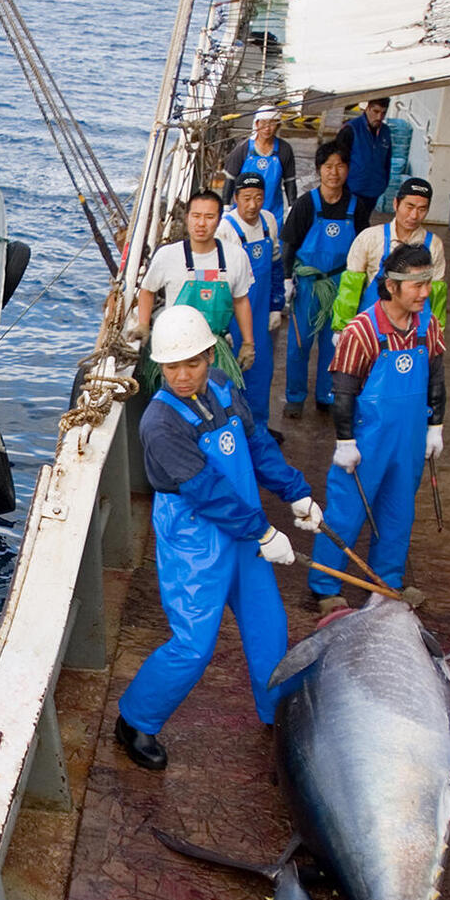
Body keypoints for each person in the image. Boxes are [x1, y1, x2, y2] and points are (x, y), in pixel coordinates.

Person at [116, 307, 324, 769]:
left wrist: (296, 493)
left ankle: (276, 713)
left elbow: (256, 446)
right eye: (172, 367)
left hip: (246, 533)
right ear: (160, 367)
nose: (183, 375)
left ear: (211, 356)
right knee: (194, 645)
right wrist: (264, 531)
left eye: (192, 363)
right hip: (196, 543)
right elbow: (205, 491)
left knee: (268, 625)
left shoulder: (226, 391)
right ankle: (135, 719)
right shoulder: (159, 423)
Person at [309, 245, 446, 613]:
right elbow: (343, 391)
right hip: (367, 442)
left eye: (427, 283)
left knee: (399, 510)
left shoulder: (427, 325)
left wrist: (436, 426)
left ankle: (386, 582)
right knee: (347, 510)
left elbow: (436, 376)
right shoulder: (362, 331)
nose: (424, 292)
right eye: (416, 285)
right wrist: (344, 441)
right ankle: (325, 584)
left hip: (410, 439)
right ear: (391, 286)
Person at [135, 190, 257, 386]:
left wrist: (248, 343)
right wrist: (142, 324)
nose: (201, 223)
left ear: (218, 220)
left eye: (209, 217)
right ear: (187, 218)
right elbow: (147, 290)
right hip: (175, 349)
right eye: (196, 216)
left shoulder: (236, 256)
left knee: (218, 401)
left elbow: (241, 300)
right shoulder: (167, 255)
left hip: (215, 349)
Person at [281, 140, 363, 419]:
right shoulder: (306, 204)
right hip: (308, 285)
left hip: (341, 285)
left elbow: (364, 248)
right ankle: (295, 397)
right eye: (328, 166)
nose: (334, 172)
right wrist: (286, 280)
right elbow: (289, 245)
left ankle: (326, 395)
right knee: (299, 344)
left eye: (340, 165)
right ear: (319, 170)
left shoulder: (357, 207)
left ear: (348, 169)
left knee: (335, 344)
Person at [332, 176, 447, 331]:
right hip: (371, 329)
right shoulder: (370, 238)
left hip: (412, 332)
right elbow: (350, 288)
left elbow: (436, 296)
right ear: (396, 203)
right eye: (409, 206)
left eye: (421, 209)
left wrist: (437, 334)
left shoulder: (434, 245)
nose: (414, 215)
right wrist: (342, 328)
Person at [219, 173, 284, 428]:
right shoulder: (226, 229)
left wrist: (277, 305)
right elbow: (218, 282)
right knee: (231, 376)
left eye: (258, 198)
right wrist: (223, 327)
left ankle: (259, 429)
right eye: (246, 198)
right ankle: (235, 429)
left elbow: (276, 263)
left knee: (261, 372)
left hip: (261, 311)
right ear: (236, 199)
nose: (252, 205)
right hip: (234, 315)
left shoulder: (269, 221)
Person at [223, 107, 299, 223]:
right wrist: (226, 206)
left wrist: (291, 207)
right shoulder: (243, 148)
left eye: (272, 123)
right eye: (263, 123)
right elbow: (230, 178)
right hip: (243, 210)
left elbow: (290, 181)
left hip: (273, 210)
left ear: (278, 126)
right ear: (257, 123)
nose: (267, 128)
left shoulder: (284, 149)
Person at [333, 98, 393, 232]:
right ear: (367, 108)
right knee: (346, 227)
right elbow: (337, 161)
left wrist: (383, 183)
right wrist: (339, 189)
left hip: (373, 192)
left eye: (383, 113)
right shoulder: (351, 129)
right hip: (351, 190)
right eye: (376, 111)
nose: (379, 117)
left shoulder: (386, 132)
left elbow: (387, 161)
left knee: (362, 227)